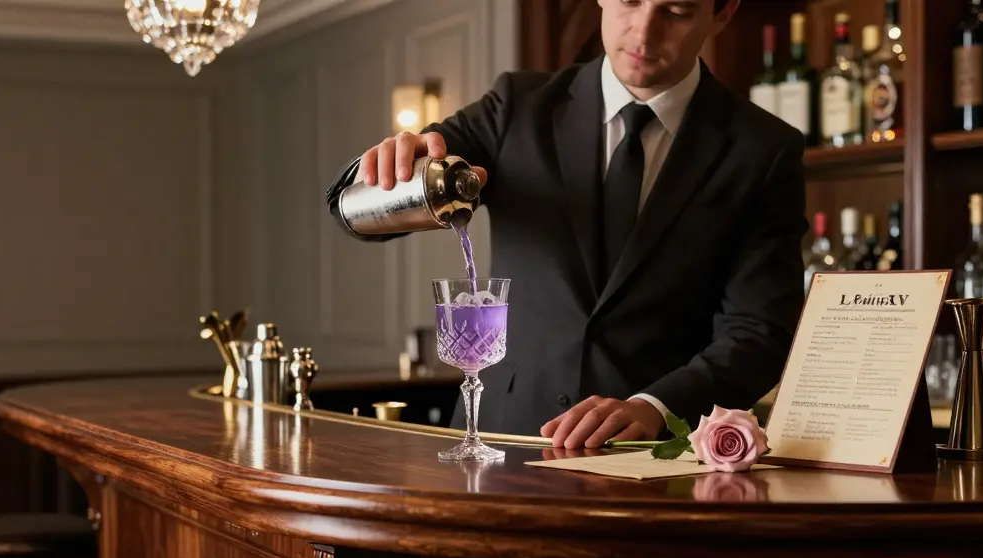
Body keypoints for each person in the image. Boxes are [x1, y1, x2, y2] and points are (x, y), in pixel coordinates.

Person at [324, 0, 806, 448]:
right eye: (630, 1)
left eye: (676, 10)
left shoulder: (762, 150)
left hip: (651, 463)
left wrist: (655, 406)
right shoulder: (515, 107)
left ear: (723, 14)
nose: (644, 31)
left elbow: (758, 332)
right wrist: (391, 171)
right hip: (499, 443)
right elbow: (361, 209)